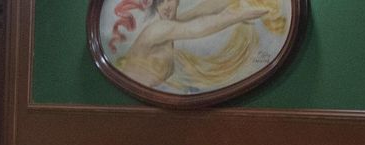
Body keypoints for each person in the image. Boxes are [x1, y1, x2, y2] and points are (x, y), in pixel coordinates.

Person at [111, 0, 268, 90]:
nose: (166, 6)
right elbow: (198, 27)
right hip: (136, 100)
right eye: (161, 1)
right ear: (155, 5)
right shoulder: (158, 29)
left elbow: (202, 10)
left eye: (170, 0)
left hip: (149, 96)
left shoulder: (170, 23)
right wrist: (237, 15)